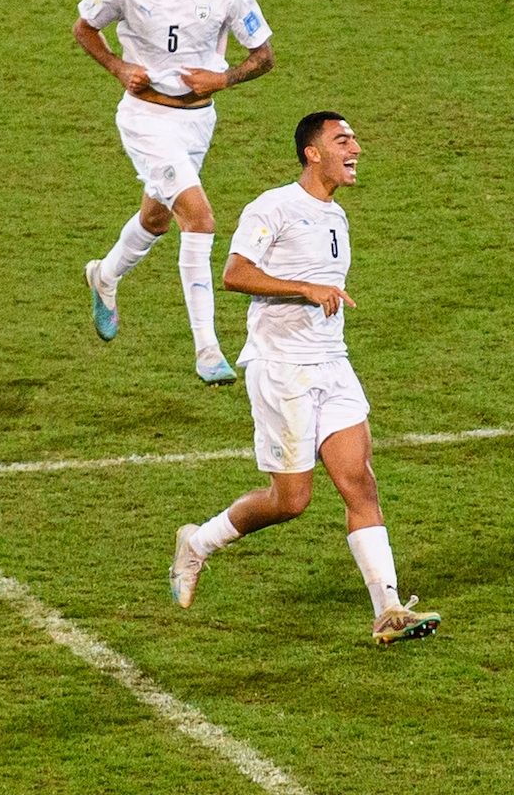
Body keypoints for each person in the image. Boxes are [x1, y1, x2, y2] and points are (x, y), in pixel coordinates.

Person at [166, 113, 439, 645]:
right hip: (282, 369)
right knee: (291, 500)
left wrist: (317, 294)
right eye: (343, 140)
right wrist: (304, 289)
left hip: (333, 364)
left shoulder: (335, 215)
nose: (356, 148)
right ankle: (197, 543)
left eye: (354, 138)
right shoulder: (273, 207)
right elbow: (235, 273)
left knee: (359, 483)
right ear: (312, 153)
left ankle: (387, 608)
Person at [73, 0, 276, 384]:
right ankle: (207, 349)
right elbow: (84, 28)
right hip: (146, 118)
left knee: (156, 217)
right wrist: (118, 67)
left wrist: (223, 80)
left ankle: (106, 275)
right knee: (199, 218)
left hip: (197, 123)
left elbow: (264, 55)